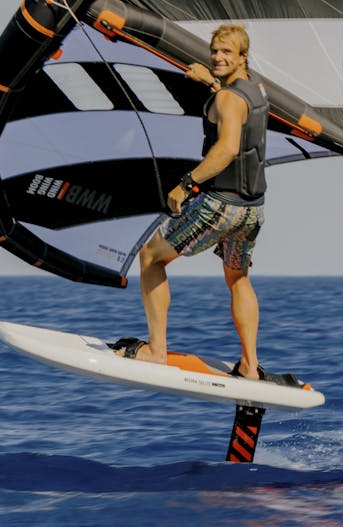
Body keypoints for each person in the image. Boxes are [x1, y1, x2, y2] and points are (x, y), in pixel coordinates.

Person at [115, 24, 269, 380]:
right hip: (252, 209)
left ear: (243, 57)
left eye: (227, 52)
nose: (217, 57)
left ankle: (156, 351)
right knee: (237, 277)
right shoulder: (255, 91)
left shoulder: (228, 98)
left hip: (220, 206)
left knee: (151, 256)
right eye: (215, 50)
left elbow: (228, 147)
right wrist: (211, 84)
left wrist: (186, 185)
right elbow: (236, 112)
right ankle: (249, 365)